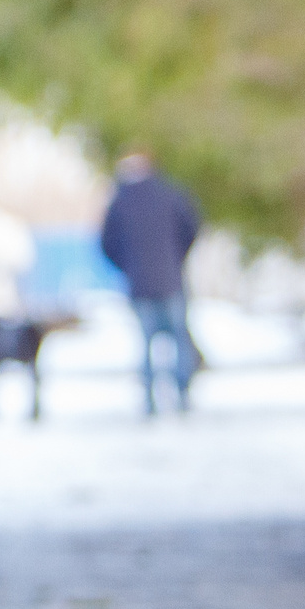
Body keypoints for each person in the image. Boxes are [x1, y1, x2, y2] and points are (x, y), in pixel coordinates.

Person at [99, 150, 203, 413]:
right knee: (179, 339)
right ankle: (183, 393)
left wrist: (127, 267)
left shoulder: (119, 201)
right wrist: (177, 258)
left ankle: (149, 398)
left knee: (146, 342)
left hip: (140, 284)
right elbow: (192, 227)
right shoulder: (170, 193)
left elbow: (106, 243)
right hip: (170, 279)